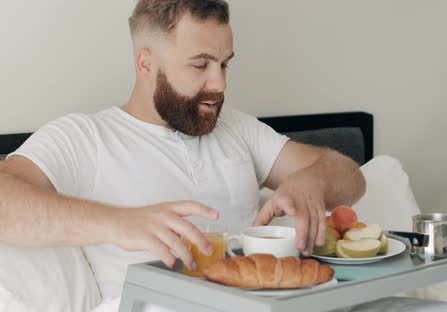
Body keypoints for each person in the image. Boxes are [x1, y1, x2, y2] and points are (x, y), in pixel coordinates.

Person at [0, 0, 365, 299]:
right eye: (200, 64)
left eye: (224, 64)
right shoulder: (85, 137)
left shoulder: (236, 128)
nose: (219, 83)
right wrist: (120, 222)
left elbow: (352, 178)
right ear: (146, 63)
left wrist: (311, 182)